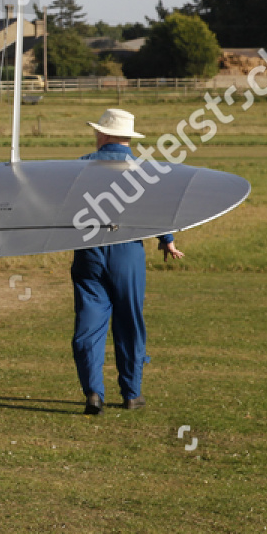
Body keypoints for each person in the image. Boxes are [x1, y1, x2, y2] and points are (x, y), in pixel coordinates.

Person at [71, 108, 183, 415]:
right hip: (128, 250)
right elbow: (156, 210)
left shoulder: (81, 166)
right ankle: (132, 393)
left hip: (89, 250)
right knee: (129, 322)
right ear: (128, 138)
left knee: (89, 323)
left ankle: (93, 392)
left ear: (104, 134)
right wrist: (167, 240)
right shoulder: (143, 169)